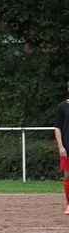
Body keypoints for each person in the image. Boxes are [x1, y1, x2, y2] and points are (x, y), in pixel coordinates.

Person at [54, 84, 69, 214]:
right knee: (67, 176)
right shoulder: (62, 107)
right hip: (67, 147)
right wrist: (60, 146)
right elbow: (57, 128)